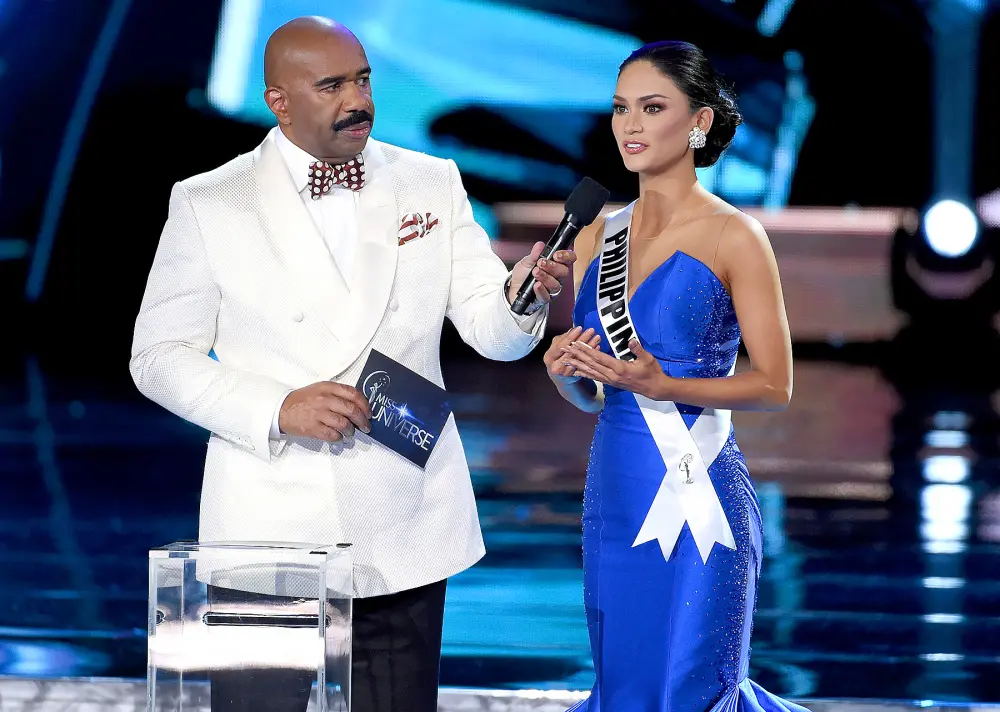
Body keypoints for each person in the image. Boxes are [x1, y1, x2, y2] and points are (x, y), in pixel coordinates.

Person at [130, 16, 574, 712]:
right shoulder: (209, 200)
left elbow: (492, 333)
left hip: (401, 511)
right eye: (332, 85)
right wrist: (276, 408)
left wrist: (521, 298)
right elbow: (157, 357)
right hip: (268, 519)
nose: (357, 100)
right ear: (279, 101)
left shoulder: (429, 182)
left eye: (363, 80)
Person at [544, 41, 807, 711]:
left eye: (652, 108)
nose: (630, 126)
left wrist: (666, 387)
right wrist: (567, 376)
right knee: (624, 687)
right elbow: (596, 394)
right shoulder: (593, 236)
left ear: (699, 122)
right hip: (616, 490)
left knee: (689, 687)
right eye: (620, 108)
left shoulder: (735, 236)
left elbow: (775, 385)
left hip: (701, 493)